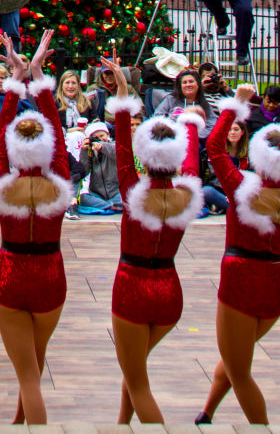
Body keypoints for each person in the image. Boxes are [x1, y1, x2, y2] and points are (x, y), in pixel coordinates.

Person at [194, 87, 280, 424]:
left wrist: (237, 105)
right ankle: (207, 413)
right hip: (277, 282)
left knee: (239, 368)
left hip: (242, 279)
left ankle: (261, 427)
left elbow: (214, 146)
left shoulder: (242, 188)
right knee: (235, 357)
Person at [101, 56, 204, 425]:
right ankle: (120, 424)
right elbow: (192, 161)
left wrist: (124, 91)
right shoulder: (188, 192)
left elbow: (123, 145)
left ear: (147, 155)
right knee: (135, 371)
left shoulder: (133, 190)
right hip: (169, 292)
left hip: (132, 288)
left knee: (138, 381)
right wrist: (190, 123)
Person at [0, 31, 72, 423]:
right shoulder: (59, 183)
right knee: (33, 367)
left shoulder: (5, 184)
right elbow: (55, 131)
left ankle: (30, 423)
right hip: (51, 275)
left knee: (30, 378)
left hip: (11, 276)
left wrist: (15, 82)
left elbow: (3, 136)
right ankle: (19, 423)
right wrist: (36, 75)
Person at [200, 119, 249, 215]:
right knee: (206, 191)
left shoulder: (249, 154)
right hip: (221, 191)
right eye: (229, 130)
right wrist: (228, 193)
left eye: (236, 129)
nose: (232, 133)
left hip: (240, 193)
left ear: (242, 132)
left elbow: (250, 178)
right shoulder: (217, 151)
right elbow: (214, 178)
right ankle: (237, 210)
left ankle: (230, 208)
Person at [153, 67, 217, 137]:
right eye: (184, 82)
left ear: (198, 84)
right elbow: (158, 117)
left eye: (191, 81)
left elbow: (211, 124)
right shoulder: (170, 99)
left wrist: (194, 135)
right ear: (180, 86)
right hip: (172, 138)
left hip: (196, 140)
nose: (188, 85)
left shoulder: (204, 104)